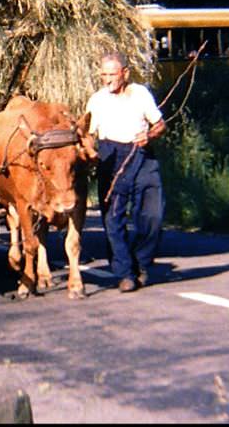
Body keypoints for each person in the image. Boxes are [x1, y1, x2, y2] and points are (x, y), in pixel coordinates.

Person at [85, 52, 166, 293]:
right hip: (111, 156)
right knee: (113, 219)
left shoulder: (140, 93)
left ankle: (140, 262)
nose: (107, 79)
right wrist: (91, 151)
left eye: (112, 74)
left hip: (142, 155)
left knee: (153, 214)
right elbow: (88, 134)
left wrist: (149, 135)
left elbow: (160, 124)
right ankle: (124, 273)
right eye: (104, 75)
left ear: (125, 74)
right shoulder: (96, 100)